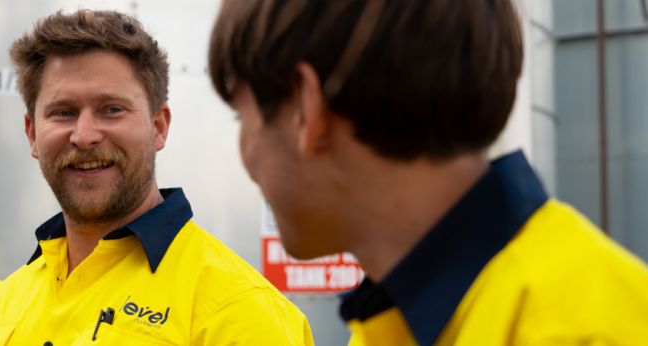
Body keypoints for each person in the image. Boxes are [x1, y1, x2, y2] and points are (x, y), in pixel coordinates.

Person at [208, 0, 648, 344]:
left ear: (306, 110)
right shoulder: (395, 321)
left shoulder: (582, 334)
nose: (244, 153)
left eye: (240, 116)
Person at [0, 9, 313, 345]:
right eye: (63, 112)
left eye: (112, 110)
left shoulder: (239, 310)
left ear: (159, 127)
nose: (84, 135)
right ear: (32, 134)